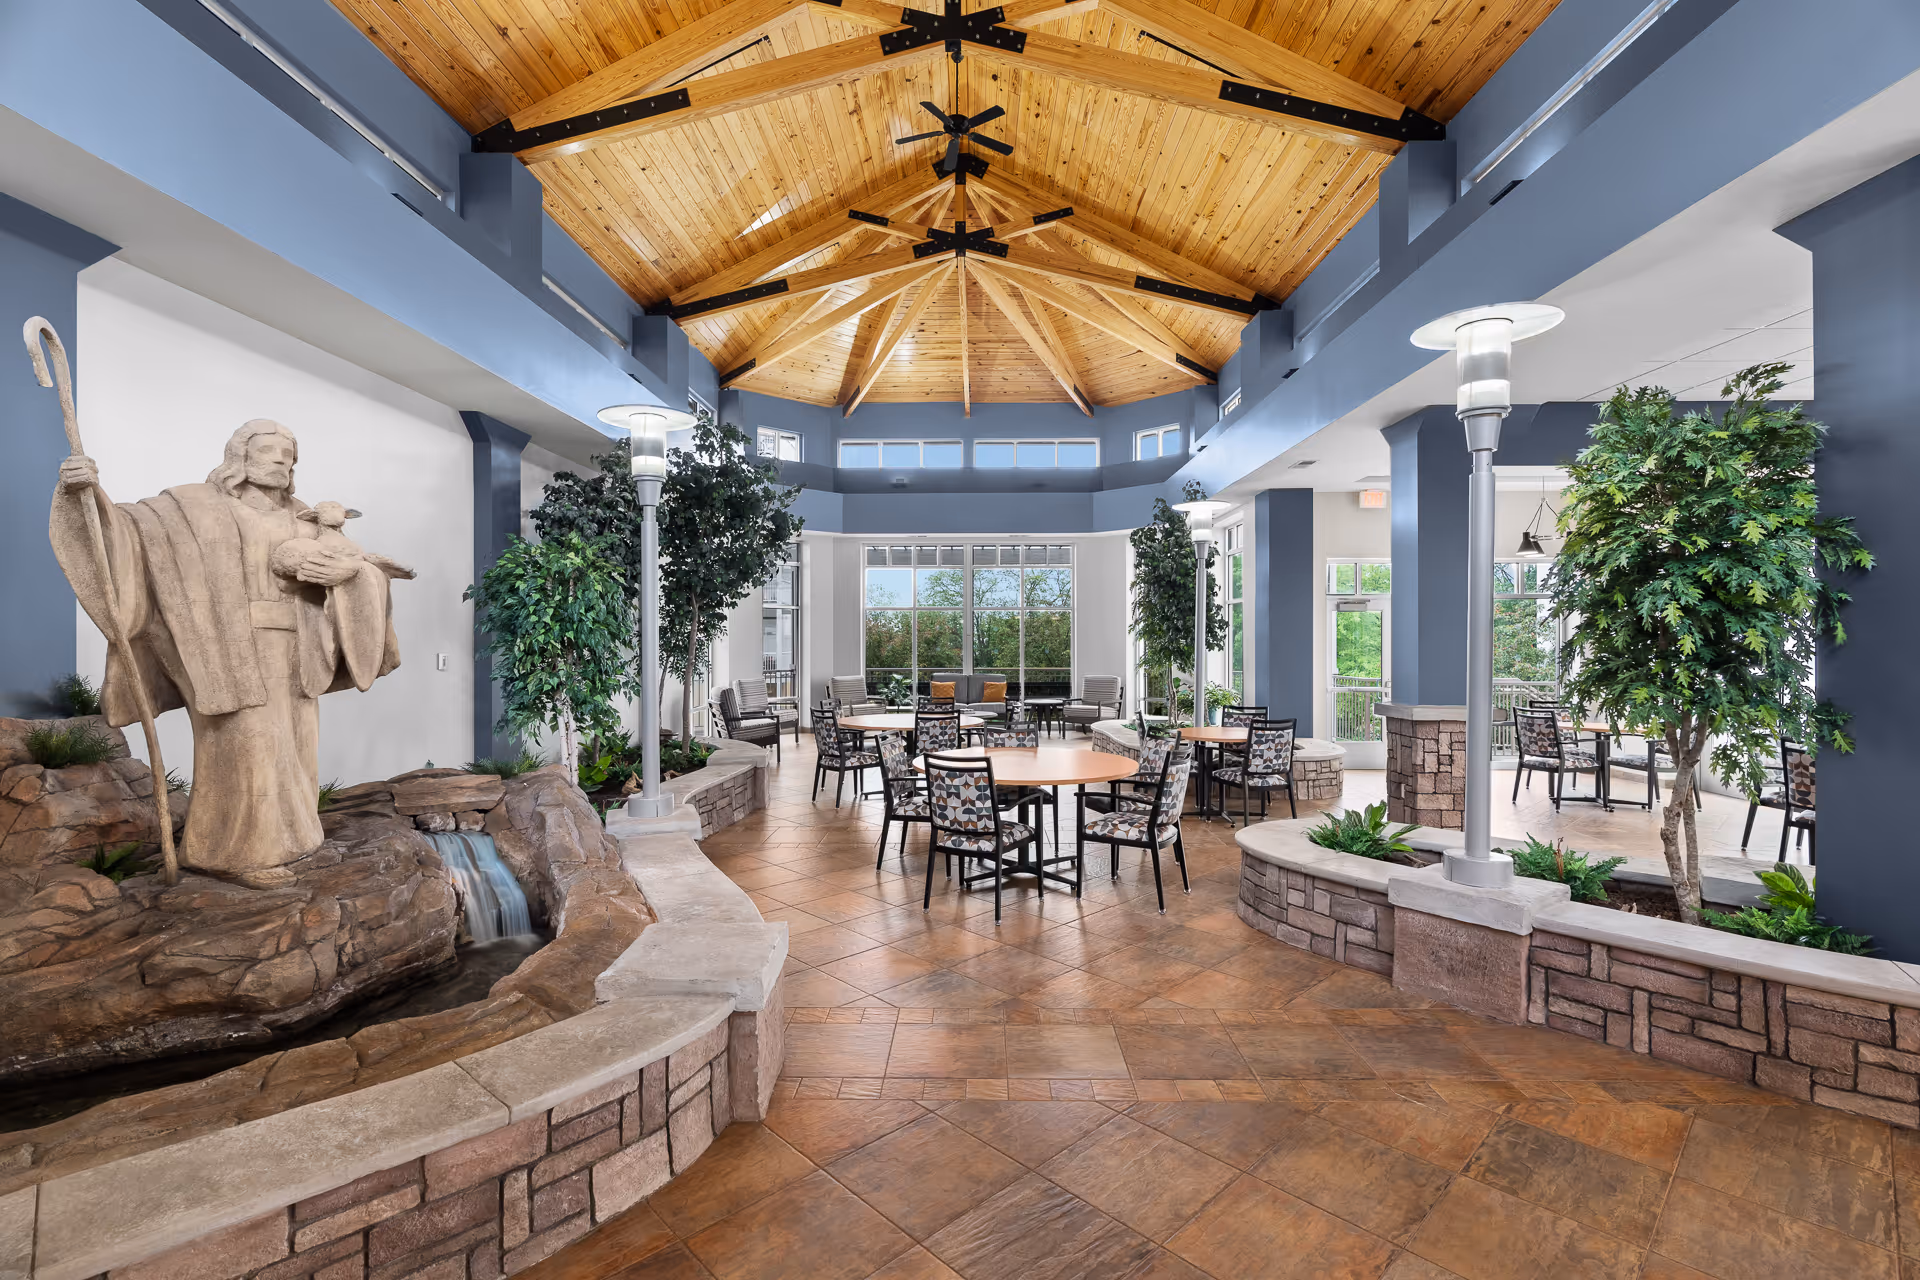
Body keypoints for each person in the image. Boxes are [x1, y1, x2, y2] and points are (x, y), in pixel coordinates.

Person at [50, 421, 410, 887]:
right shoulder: (189, 507)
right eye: (269, 449)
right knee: (247, 748)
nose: (283, 459)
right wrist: (85, 497)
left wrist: (349, 575)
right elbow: (122, 538)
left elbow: (355, 567)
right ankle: (234, 855)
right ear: (238, 455)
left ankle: (294, 843)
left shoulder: (304, 516)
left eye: (289, 453)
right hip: (225, 651)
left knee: (294, 750)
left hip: (297, 650)